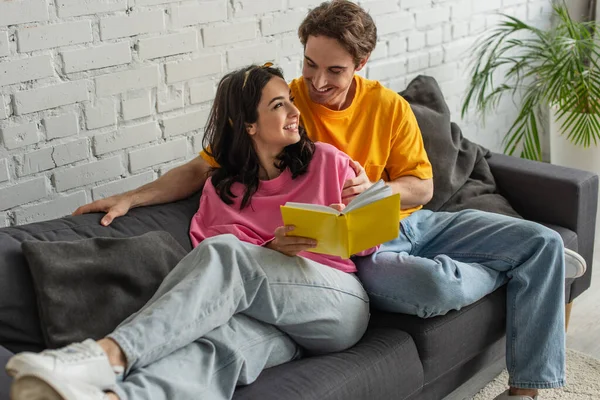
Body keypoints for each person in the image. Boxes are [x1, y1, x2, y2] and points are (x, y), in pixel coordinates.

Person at [66, 1, 586, 399]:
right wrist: (133, 196)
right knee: (430, 285)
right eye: (311, 64)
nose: (316, 82)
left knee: (540, 241)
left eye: (333, 71)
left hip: (411, 222)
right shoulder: (285, 103)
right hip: (360, 252)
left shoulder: (389, 108)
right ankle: (505, 269)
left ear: (360, 63)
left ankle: (526, 386)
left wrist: (376, 191)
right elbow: (208, 164)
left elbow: (422, 186)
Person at [6, 64, 374, 399]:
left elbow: (371, 243)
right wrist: (271, 248)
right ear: (248, 124)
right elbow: (211, 281)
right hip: (269, 323)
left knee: (226, 252)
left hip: (336, 306)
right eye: (279, 105)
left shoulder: (328, 162)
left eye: (291, 101)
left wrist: (367, 200)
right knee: (212, 349)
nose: (296, 112)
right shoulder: (222, 190)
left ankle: (104, 355)